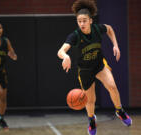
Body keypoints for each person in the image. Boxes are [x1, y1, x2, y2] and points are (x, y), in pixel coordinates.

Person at [57, 0, 132, 134]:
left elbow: (109, 28)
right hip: (85, 70)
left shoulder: (97, 29)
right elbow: (61, 51)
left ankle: (119, 111)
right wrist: (66, 56)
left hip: (99, 65)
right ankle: (91, 120)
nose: (81, 24)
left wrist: (115, 45)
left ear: (91, 21)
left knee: (112, 87)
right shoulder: (75, 35)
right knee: (90, 100)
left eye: (84, 21)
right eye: (79, 21)